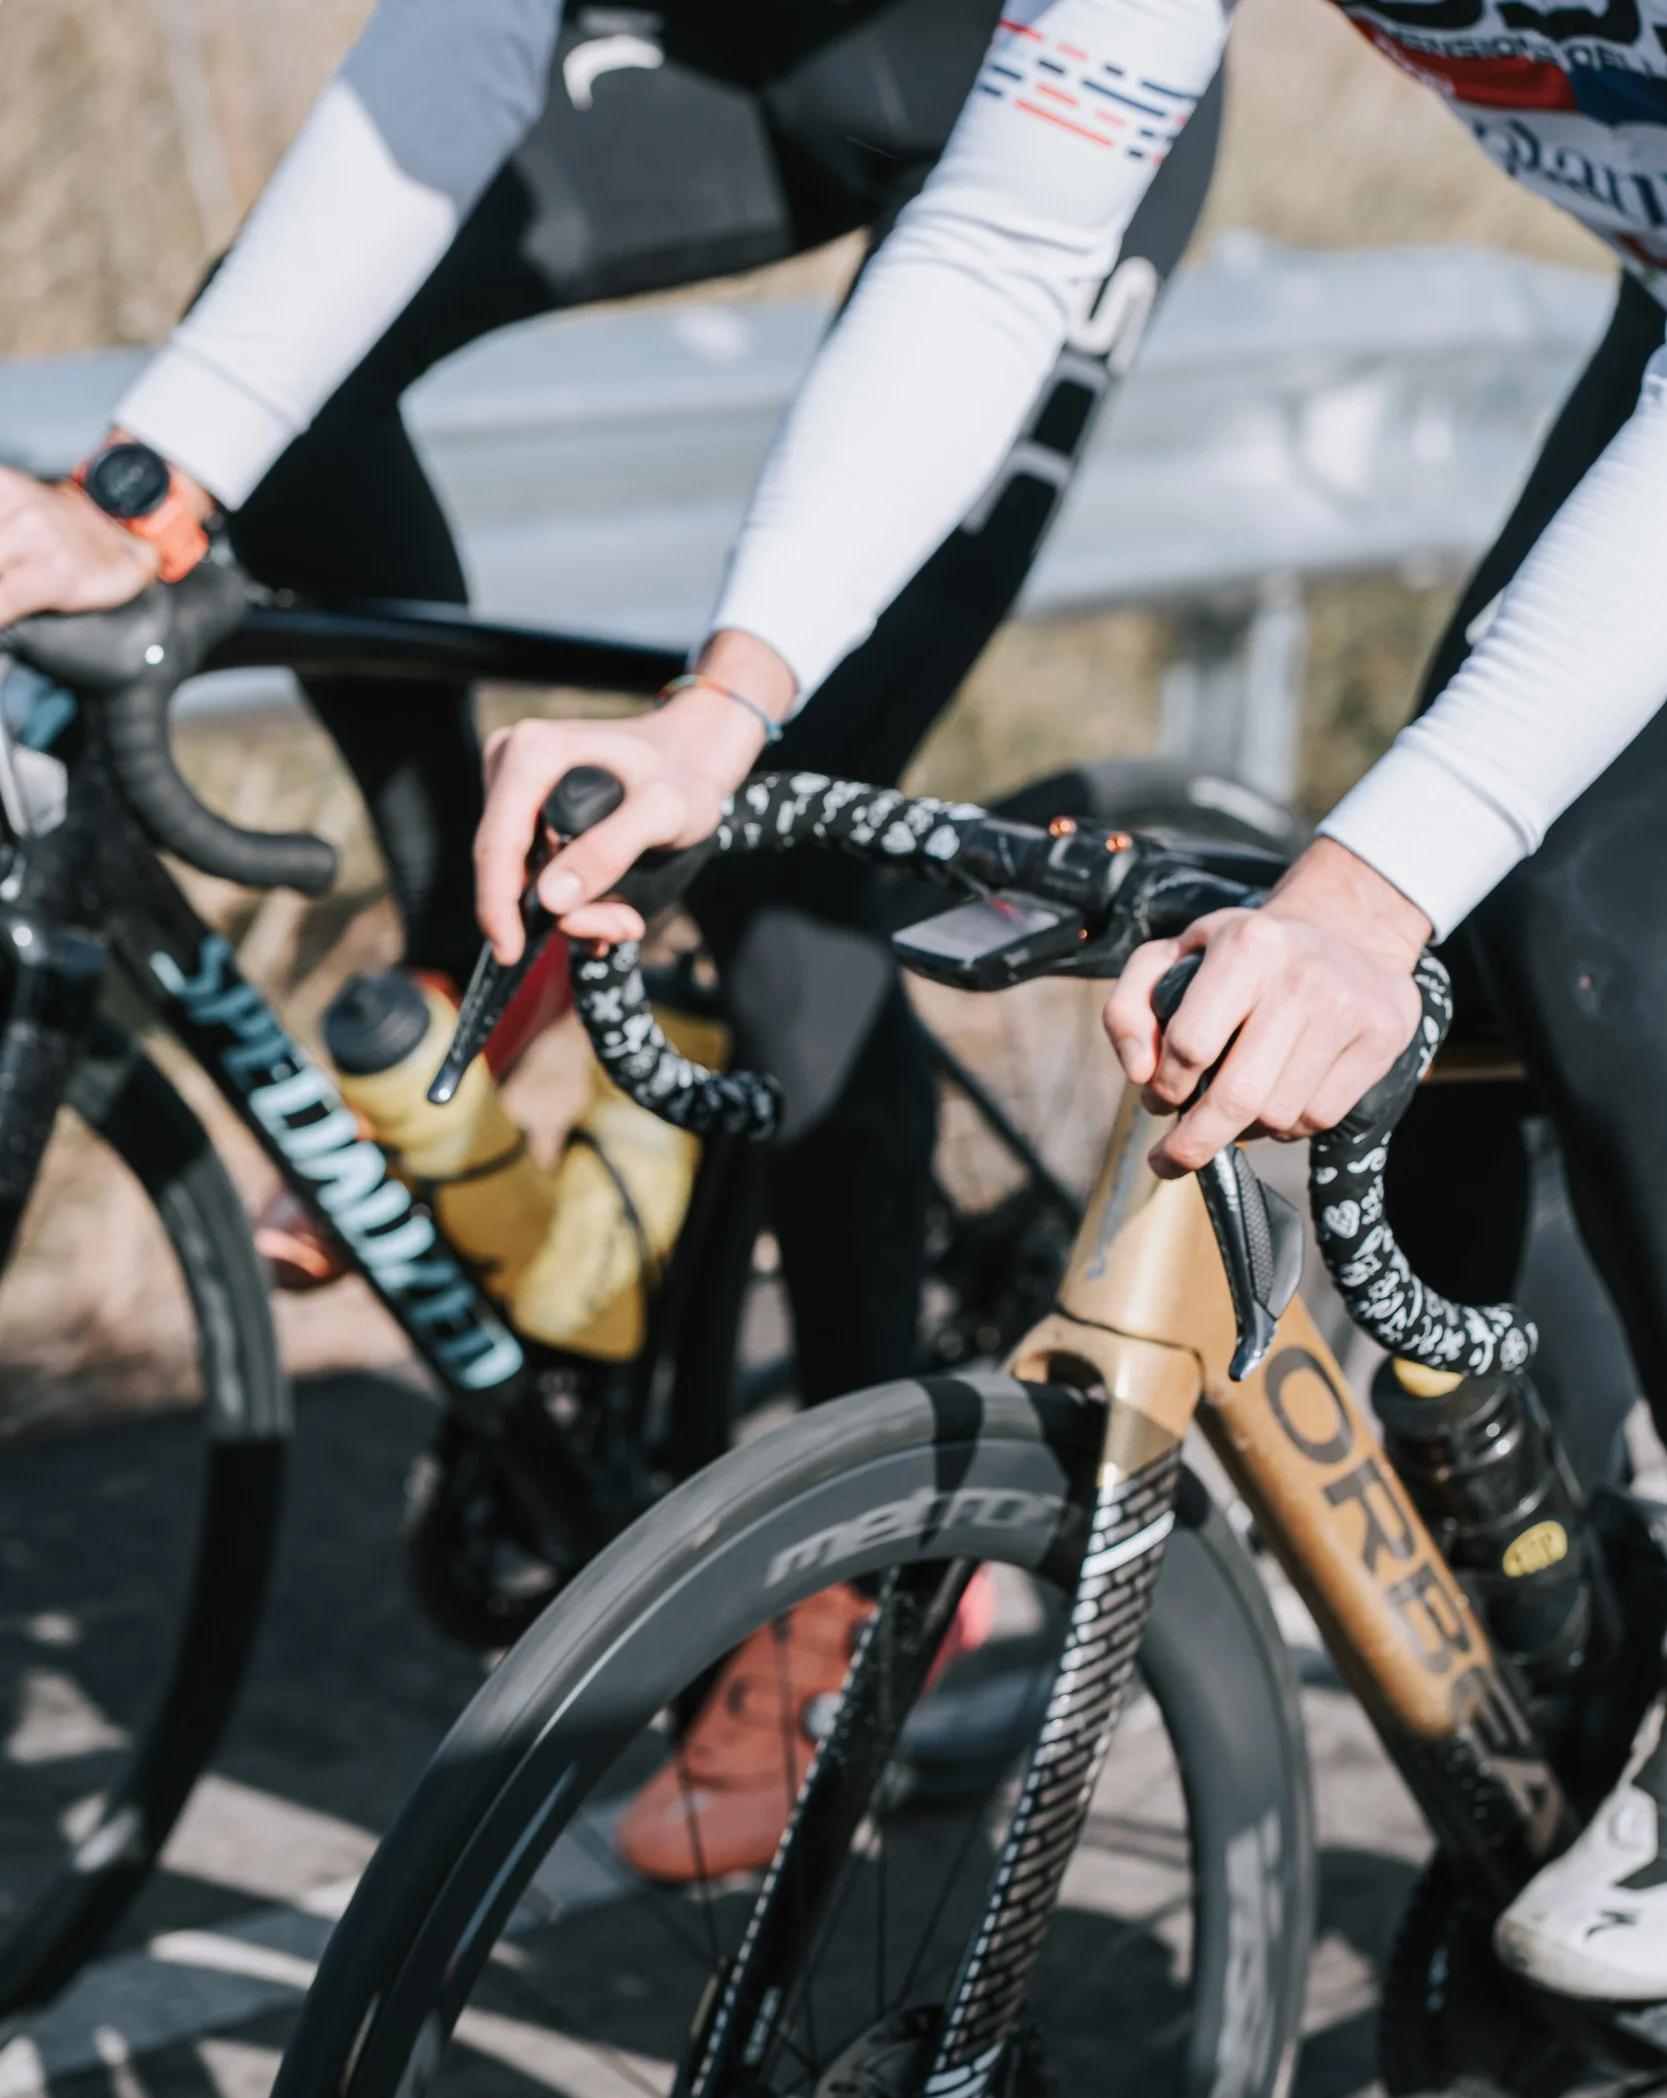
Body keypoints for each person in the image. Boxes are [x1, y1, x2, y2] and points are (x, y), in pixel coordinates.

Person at [0, 0, 1220, 1883]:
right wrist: (139, 494)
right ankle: (466, 952)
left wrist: (726, 701)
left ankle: (849, 1593)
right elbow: (450, 55)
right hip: (736, 61)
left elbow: (1011, 218)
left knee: (798, 839)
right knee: (277, 356)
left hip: (1034, 99)